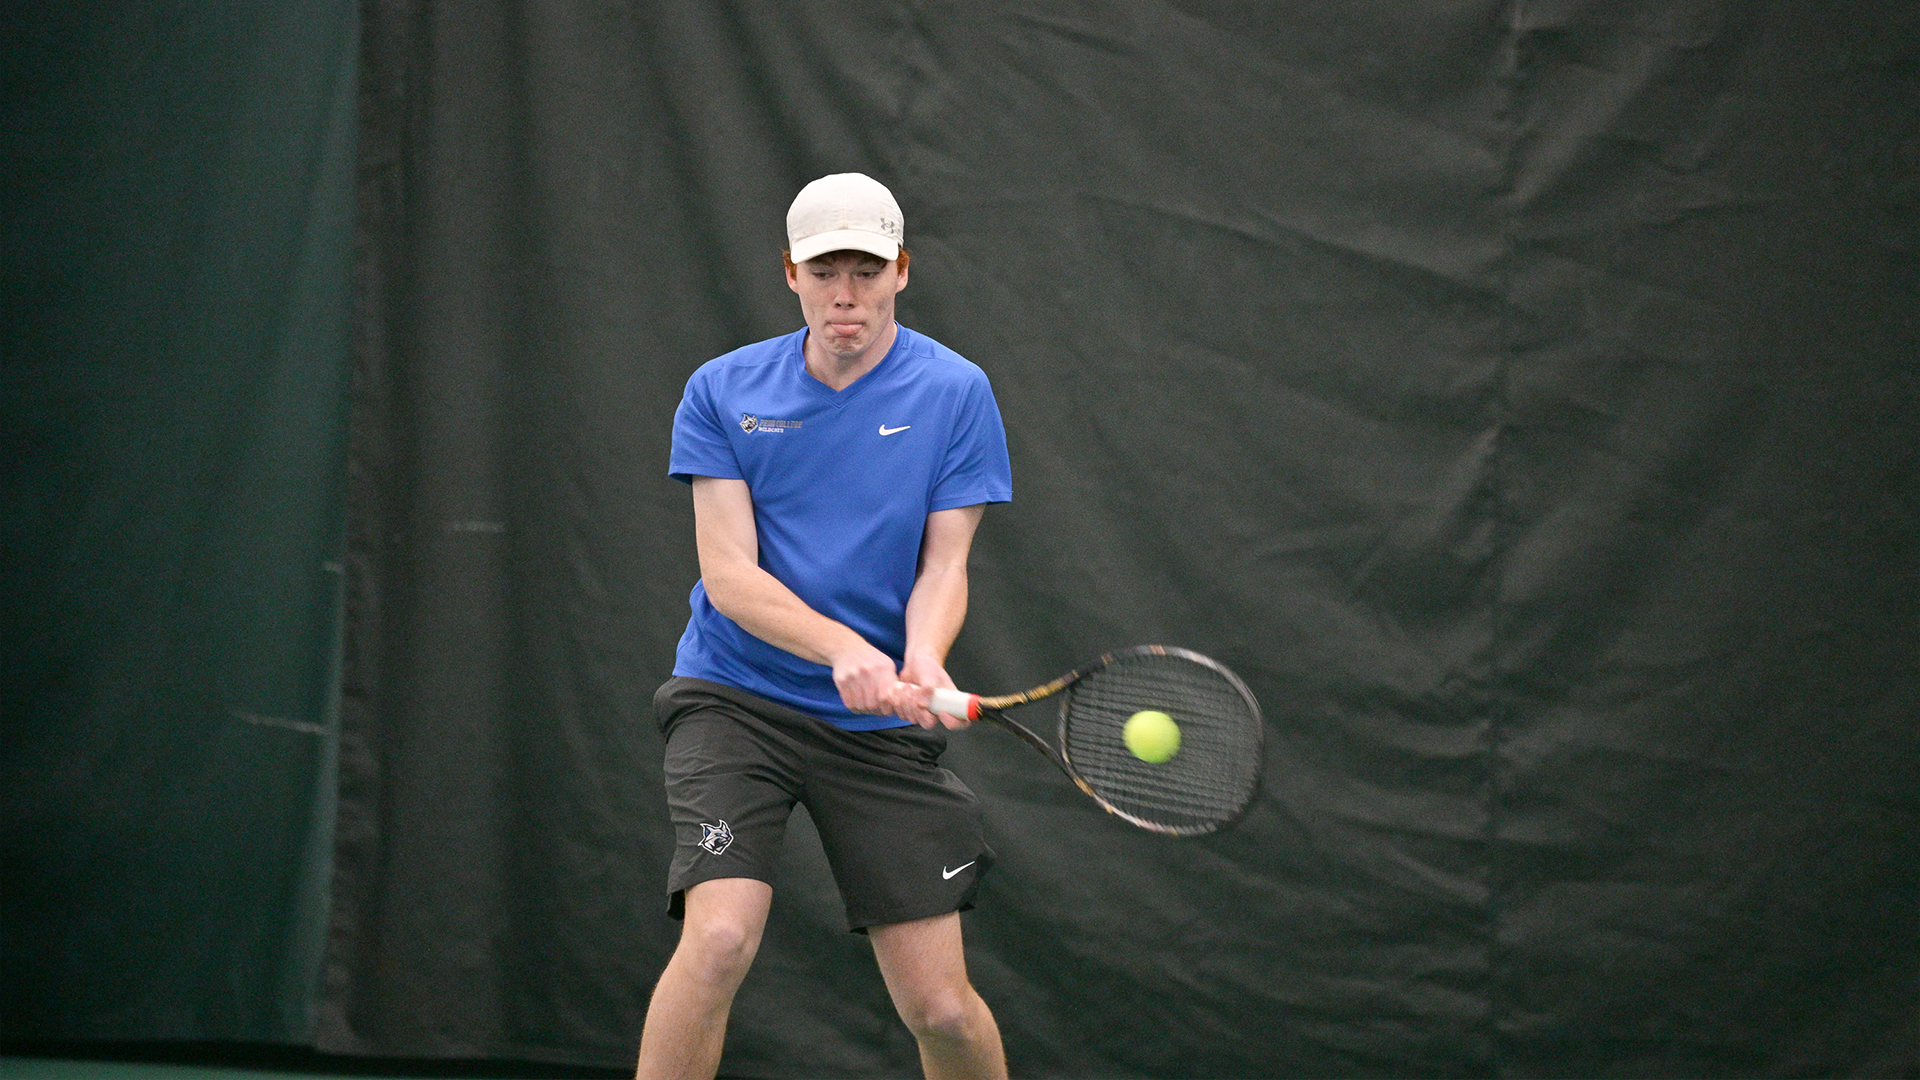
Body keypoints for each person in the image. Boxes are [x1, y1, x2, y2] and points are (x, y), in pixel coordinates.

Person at [636, 173, 1013, 1080]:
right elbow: (729, 577)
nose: (847, 293)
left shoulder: (956, 393)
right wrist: (844, 646)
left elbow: (944, 566)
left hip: (874, 728)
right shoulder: (721, 391)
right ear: (791, 276)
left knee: (942, 1009)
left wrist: (921, 655)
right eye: (825, 269)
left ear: (902, 273)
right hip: (736, 701)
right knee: (719, 938)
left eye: (867, 269)